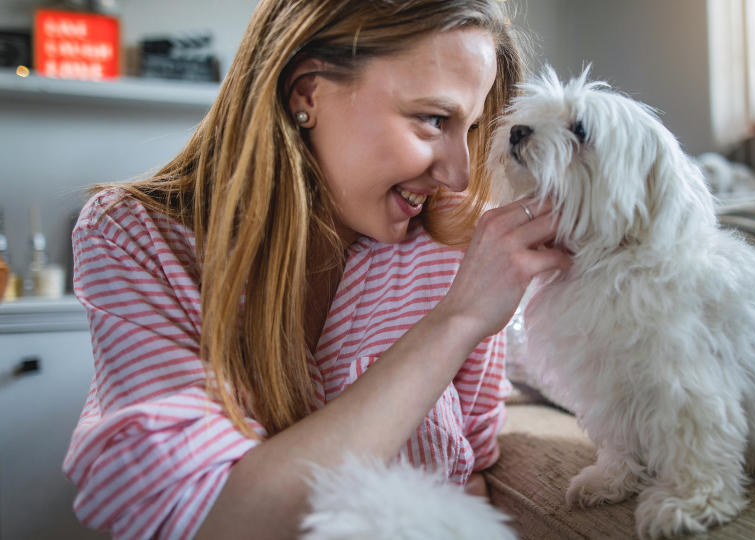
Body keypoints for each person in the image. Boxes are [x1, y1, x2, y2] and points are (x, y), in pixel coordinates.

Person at [62, 1, 571, 539]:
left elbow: (471, 466)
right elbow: (208, 519)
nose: (458, 176)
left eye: (468, 128)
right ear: (307, 93)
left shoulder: (450, 246)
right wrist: (455, 321)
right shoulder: (138, 239)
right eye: (433, 119)